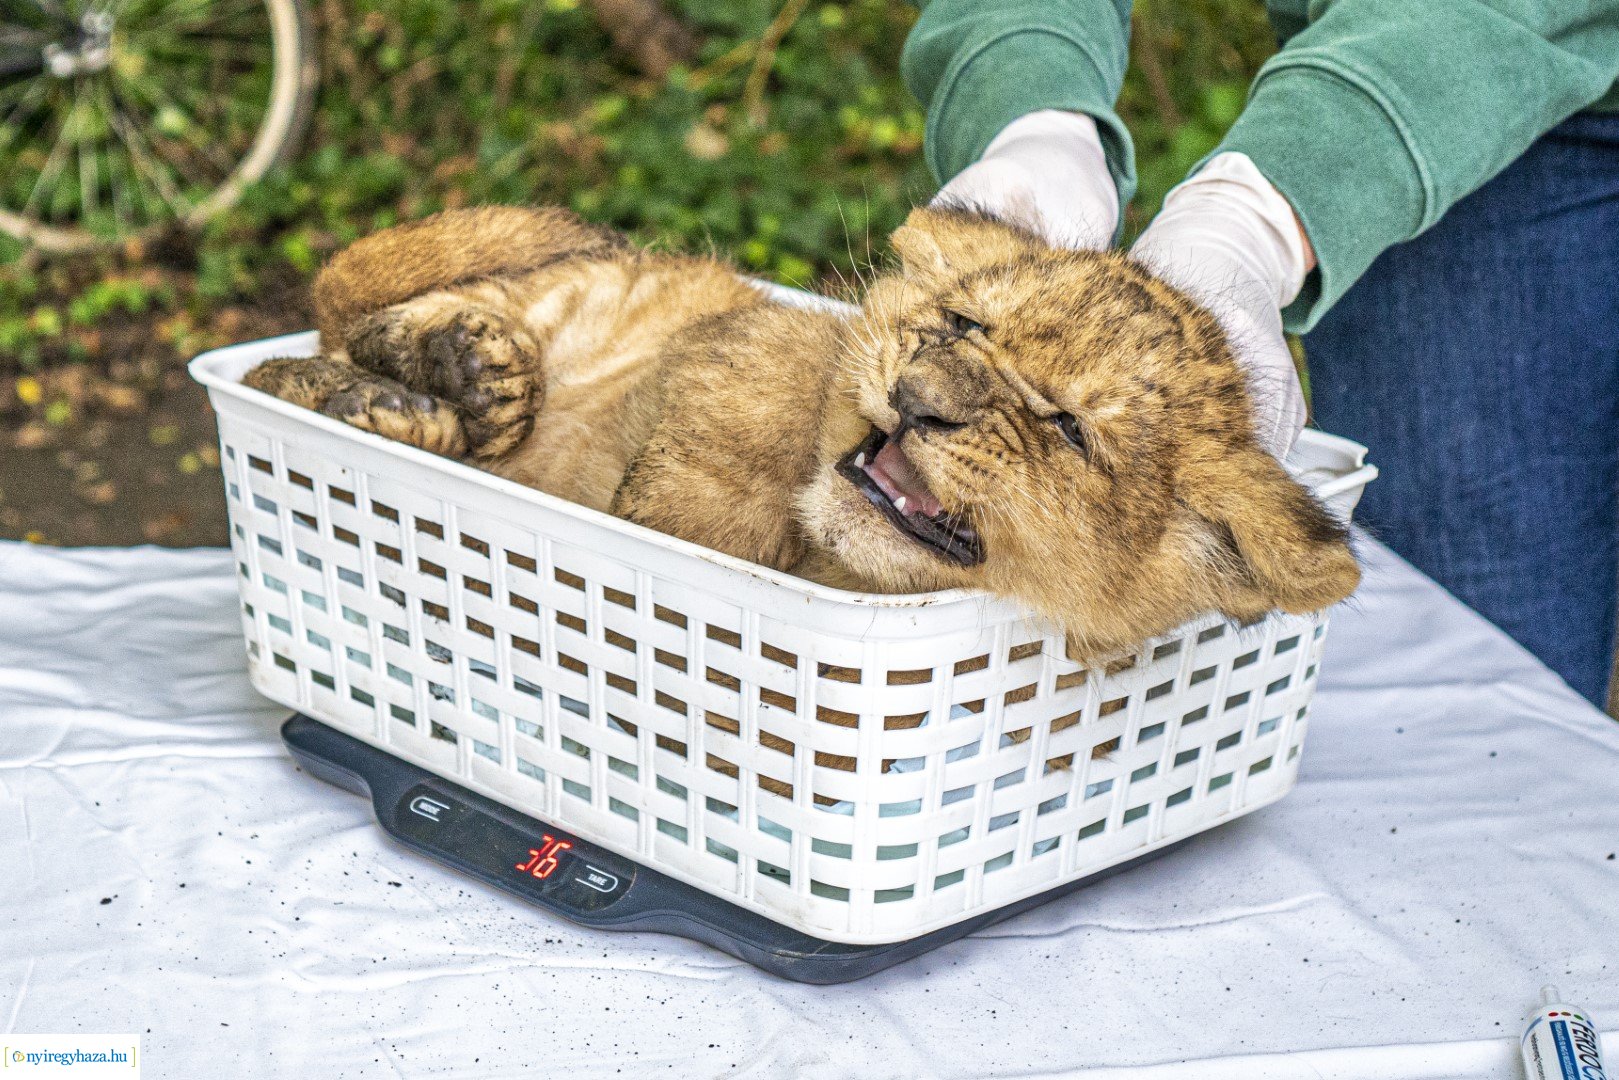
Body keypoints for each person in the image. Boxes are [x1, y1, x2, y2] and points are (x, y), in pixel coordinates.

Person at [901, 1, 1619, 708]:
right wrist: (1028, 103)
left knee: (1494, 672)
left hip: (1460, 61)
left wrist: (1263, 211)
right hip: (1453, 106)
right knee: (1465, 670)